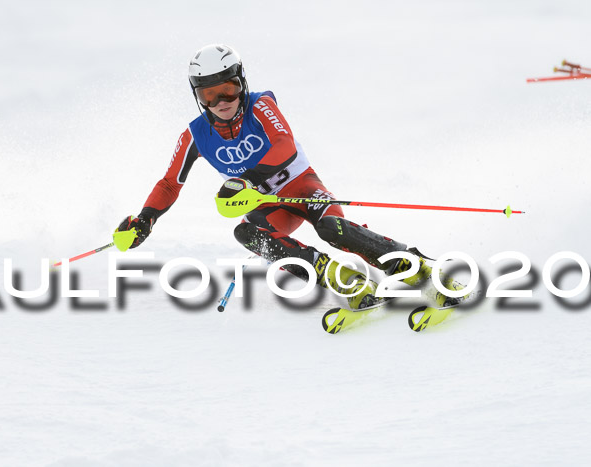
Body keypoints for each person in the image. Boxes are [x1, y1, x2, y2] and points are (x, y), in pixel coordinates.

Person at [115, 44, 433, 309]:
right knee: (246, 233)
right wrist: (145, 220)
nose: (222, 102)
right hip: (269, 208)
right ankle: (339, 278)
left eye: (229, 89)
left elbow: (284, 145)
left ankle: (409, 263)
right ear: (198, 96)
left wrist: (248, 180)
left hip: (302, 188)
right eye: (210, 95)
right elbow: (170, 183)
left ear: (242, 83)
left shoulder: (260, 105)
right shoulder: (195, 136)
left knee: (331, 227)